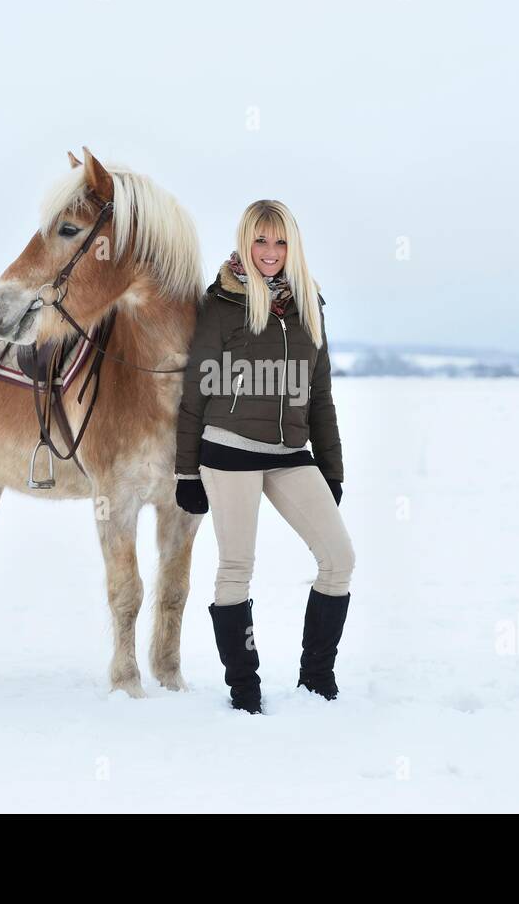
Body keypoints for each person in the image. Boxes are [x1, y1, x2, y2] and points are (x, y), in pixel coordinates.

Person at [174, 199, 355, 714]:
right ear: (244, 242)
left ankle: (317, 680)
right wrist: (187, 471)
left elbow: (319, 395)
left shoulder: (308, 304)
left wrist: (331, 468)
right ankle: (245, 689)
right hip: (227, 450)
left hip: (290, 452)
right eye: (260, 240)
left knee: (338, 559)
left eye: (279, 242)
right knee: (236, 567)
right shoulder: (222, 304)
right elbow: (195, 392)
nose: (269, 252)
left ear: (291, 245)